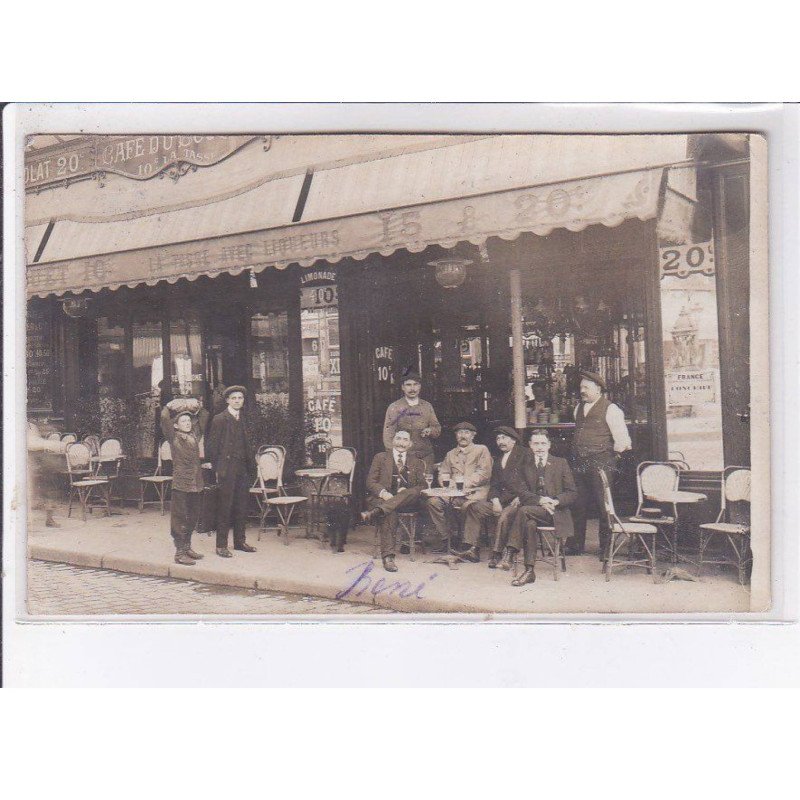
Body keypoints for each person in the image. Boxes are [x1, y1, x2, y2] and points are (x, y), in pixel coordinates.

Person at [565, 370, 632, 558]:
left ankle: (606, 548)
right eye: (581, 387)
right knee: (578, 504)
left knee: (605, 506)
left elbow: (623, 440)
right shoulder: (578, 409)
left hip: (601, 463)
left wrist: (610, 457)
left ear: (599, 389)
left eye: (586, 387)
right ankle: (575, 545)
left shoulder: (611, 409)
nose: (582, 391)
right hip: (579, 463)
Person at [499, 429, 578, 586]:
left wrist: (555, 501)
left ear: (549, 445)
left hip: (555, 512)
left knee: (523, 511)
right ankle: (529, 571)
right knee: (529, 524)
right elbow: (521, 492)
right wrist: (541, 500)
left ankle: (510, 551)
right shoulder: (524, 464)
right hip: (533, 511)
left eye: (543, 443)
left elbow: (572, 493)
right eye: (536, 443)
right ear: (530, 445)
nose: (540, 447)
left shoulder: (560, 463)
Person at [458, 426, 530, 564]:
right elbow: (494, 485)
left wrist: (521, 497)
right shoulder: (498, 460)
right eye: (498, 438)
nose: (500, 441)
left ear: (514, 440)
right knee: (474, 507)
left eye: (504, 438)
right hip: (502, 500)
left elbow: (531, 480)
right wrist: (495, 500)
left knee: (504, 516)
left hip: (520, 501)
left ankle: (496, 553)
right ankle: (473, 548)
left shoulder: (525, 454)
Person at [361, 430, 427, 572]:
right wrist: (383, 493)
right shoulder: (380, 457)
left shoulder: (416, 461)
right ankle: (388, 557)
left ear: (410, 444)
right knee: (389, 512)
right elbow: (370, 482)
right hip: (383, 499)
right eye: (398, 438)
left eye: (405, 440)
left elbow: (423, 485)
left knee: (409, 493)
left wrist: (406, 491)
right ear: (392, 441)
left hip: (407, 502)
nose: (401, 442)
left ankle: (377, 511)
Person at [206, 385, 257, 558]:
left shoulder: (243, 418)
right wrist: (218, 469)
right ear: (227, 400)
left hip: (243, 469)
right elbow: (212, 447)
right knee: (225, 507)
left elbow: (247, 444)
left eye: (240, 398)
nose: (237, 401)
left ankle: (239, 542)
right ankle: (221, 545)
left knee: (242, 506)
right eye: (234, 398)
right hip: (227, 470)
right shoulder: (220, 419)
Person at [424, 421, 492, 550]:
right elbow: (443, 473)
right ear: (456, 435)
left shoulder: (481, 450)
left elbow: (483, 474)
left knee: (469, 506)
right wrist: (447, 482)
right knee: (433, 502)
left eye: (467, 433)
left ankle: (468, 544)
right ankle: (448, 539)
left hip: (475, 494)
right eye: (460, 432)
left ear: (473, 435)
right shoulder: (451, 454)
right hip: (454, 493)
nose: (463, 436)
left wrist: (462, 484)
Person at [160, 399, 209, 565]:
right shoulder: (173, 437)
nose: (187, 423)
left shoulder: (194, 435)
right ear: (176, 425)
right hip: (181, 483)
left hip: (197, 483)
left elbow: (204, 416)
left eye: (189, 421)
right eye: (183, 421)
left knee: (193, 516)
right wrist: (170, 405)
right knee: (179, 517)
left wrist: (196, 405)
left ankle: (187, 546)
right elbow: (165, 417)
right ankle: (179, 552)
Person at [383, 370, 441, 471]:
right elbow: (388, 435)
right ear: (403, 387)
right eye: (408, 385)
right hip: (404, 457)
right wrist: (395, 457)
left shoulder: (427, 406)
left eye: (415, 384)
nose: (412, 388)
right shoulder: (394, 407)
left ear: (420, 386)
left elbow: (437, 429)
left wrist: (430, 430)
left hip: (425, 456)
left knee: (426, 483)